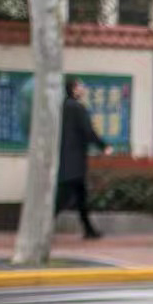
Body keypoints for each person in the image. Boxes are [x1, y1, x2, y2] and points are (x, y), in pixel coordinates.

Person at [56, 80, 107, 240]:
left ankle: (89, 229)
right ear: (73, 89)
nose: (83, 89)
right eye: (80, 86)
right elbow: (88, 130)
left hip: (66, 158)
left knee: (80, 196)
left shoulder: (62, 107)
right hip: (74, 159)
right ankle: (39, 226)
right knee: (64, 196)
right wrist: (103, 146)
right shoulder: (77, 107)